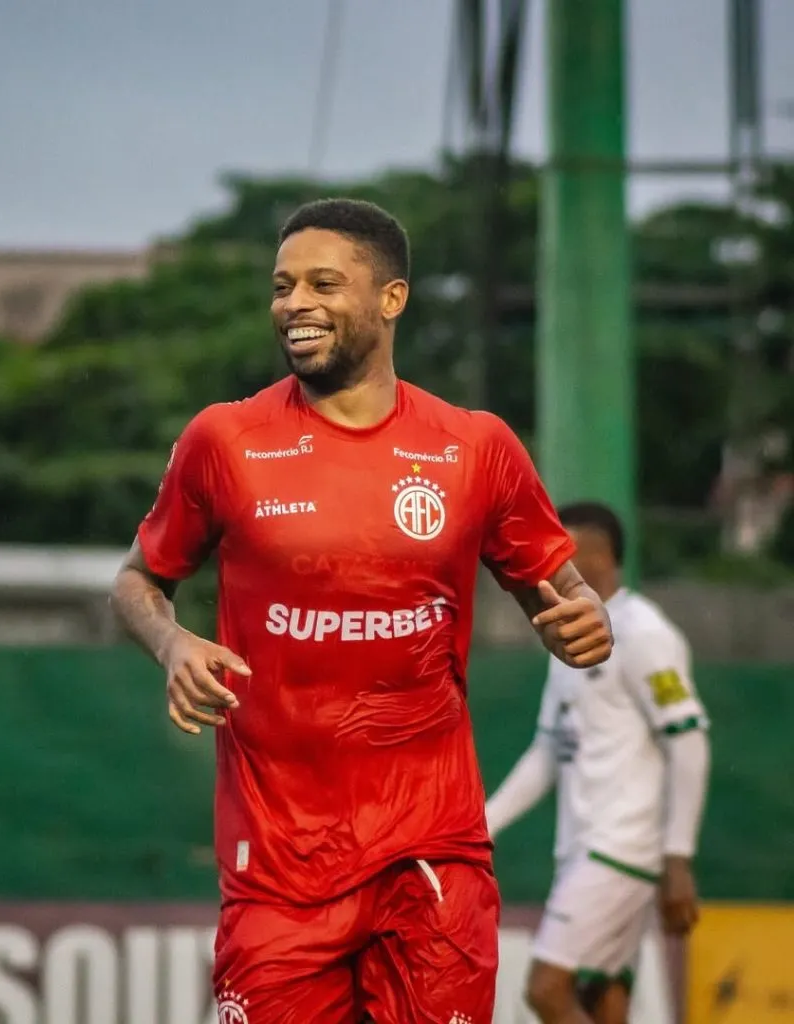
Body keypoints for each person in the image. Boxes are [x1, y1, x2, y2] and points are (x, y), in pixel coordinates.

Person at [109, 198, 613, 1024]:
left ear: (391, 299)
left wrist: (584, 615)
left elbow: (558, 588)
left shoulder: (473, 446)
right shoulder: (225, 440)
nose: (294, 303)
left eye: (322, 283)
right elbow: (135, 581)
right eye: (281, 286)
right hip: (277, 865)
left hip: (431, 854)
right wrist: (170, 644)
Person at [485, 502, 711, 1024]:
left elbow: (688, 740)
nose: (547, 566)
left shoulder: (643, 633)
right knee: (604, 1002)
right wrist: (484, 824)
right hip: (585, 848)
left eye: (559, 553)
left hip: (619, 849)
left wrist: (678, 857)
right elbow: (548, 751)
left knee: (546, 990)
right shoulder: (570, 637)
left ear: (599, 556)